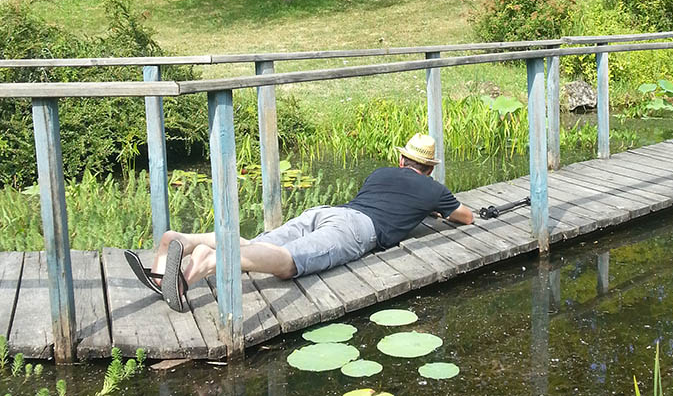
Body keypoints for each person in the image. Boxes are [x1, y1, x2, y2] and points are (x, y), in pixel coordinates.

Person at [125, 133, 473, 311]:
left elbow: (390, 198)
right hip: (357, 230)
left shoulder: (381, 173)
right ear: (430, 168)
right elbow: (466, 217)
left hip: (327, 212)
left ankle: (185, 240)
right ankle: (208, 263)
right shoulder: (432, 189)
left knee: (260, 244)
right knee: (289, 262)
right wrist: (435, 206)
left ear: (401, 160)